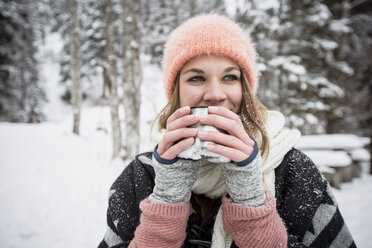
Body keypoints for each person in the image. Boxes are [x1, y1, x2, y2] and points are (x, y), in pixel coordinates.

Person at [98, 14, 356, 248]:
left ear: (246, 89)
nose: (215, 95)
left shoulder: (293, 171)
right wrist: (166, 198)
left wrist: (251, 200)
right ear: (176, 91)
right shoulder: (141, 175)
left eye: (230, 77)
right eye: (196, 78)